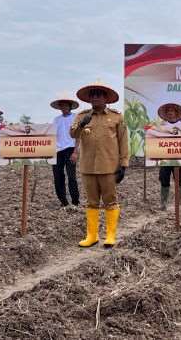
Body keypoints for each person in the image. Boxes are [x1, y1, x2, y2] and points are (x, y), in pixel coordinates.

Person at [71, 82, 129, 248]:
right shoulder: (82, 116)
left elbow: (123, 142)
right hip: (88, 166)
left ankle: (110, 236)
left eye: (99, 94)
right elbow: (72, 133)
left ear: (105, 98)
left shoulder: (116, 117)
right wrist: (82, 124)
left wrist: (123, 164)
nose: (95, 97)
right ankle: (92, 236)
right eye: (93, 94)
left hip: (109, 167)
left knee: (110, 201)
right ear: (89, 98)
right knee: (91, 202)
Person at [51, 93, 81, 207]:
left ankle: (75, 201)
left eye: (65, 105)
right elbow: (52, 135)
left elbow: (78, 135)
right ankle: (63, 201)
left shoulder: (75, 118)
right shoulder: (56, 120)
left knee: (71, 176)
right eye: (61, 106)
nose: (63, 108)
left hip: (70, 149)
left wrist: (75, 151)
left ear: (69, 106)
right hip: (57, 151)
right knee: (58, 176)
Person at [157, 103, 181, 210]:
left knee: (179, 179)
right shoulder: (162, 126)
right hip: (165, 158)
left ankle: (179, 202)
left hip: (179, 158)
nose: (170, 112)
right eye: (168, 111)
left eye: (172, 110)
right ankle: (163, 203)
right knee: (164, 179)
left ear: (176, 113)